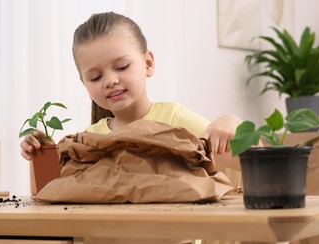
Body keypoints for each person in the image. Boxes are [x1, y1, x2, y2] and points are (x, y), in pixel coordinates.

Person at [20, 11, 241, 171]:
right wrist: (43, 153)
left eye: (122, 67)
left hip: (178, 235)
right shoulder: (90, 138)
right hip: (114, 234)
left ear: (148, 63)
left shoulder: (175, 120)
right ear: (84, 84)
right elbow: (64, 190)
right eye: (96, 77)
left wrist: (233, 125)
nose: (110, 81)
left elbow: (253, 165)